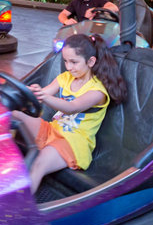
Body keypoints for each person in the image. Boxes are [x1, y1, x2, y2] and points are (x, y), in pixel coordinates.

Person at [12, 34, 126, 193]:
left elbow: (72, 107)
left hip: (73, 142)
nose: (68, 67)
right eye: (65, 61)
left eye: (74, 62)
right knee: (12, 115)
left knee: (39, 163)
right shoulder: (66, 78)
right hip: (52, 130)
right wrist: (26, 91)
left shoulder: (97, 91)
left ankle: (19, 204)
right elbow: (42, 94)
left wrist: (44, 97)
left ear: (90, 62)